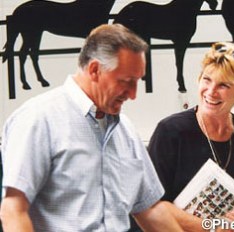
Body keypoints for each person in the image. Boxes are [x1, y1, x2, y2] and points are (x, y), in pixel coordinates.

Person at [0, 24, 190, 232]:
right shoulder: (38, 120)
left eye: (137, 82)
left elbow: (150, 208)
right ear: (94, 70)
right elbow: (13, 211)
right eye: (126, 82)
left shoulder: (124, 129)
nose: (133, 94)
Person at [148, 42, 234, 225]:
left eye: (223, 85)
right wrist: (213, 229)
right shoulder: (170, 132)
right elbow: (154, 205)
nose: (211, 92)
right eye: (207, 79)